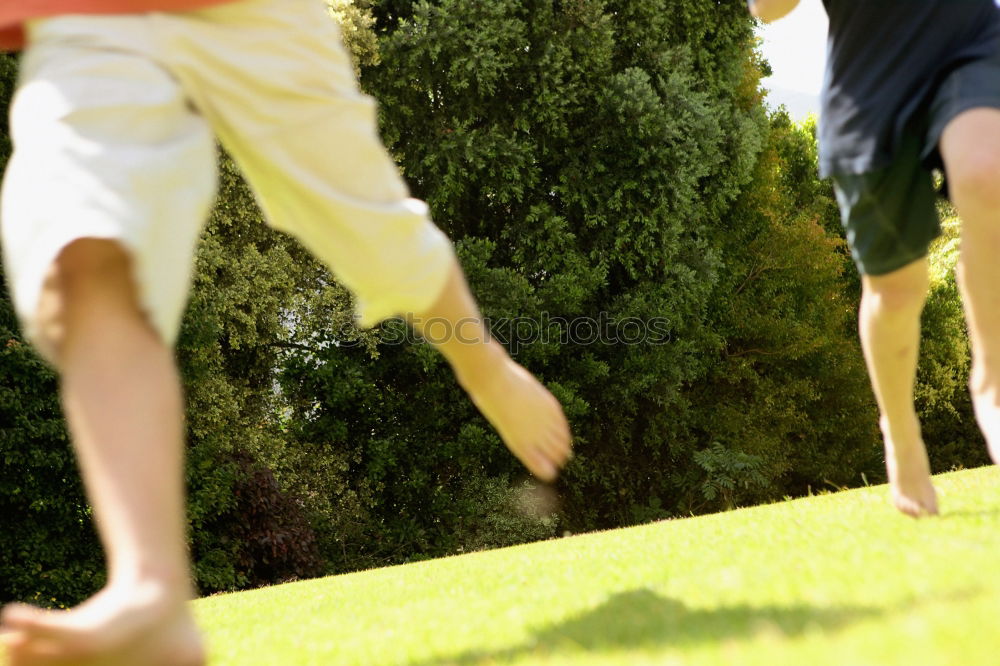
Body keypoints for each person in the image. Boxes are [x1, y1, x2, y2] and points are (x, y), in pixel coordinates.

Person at [0, 1, 573, 664]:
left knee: (371, 227)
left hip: (250, 12)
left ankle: (486, 369)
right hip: (85, 14)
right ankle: (149, 588)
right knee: (82, 252)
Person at [750, 0, 1000, 517]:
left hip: (967, 37)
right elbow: (766, 10)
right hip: (870, 84)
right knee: (896, 289)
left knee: (987, 175)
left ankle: (993, 380)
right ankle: (900, 433)